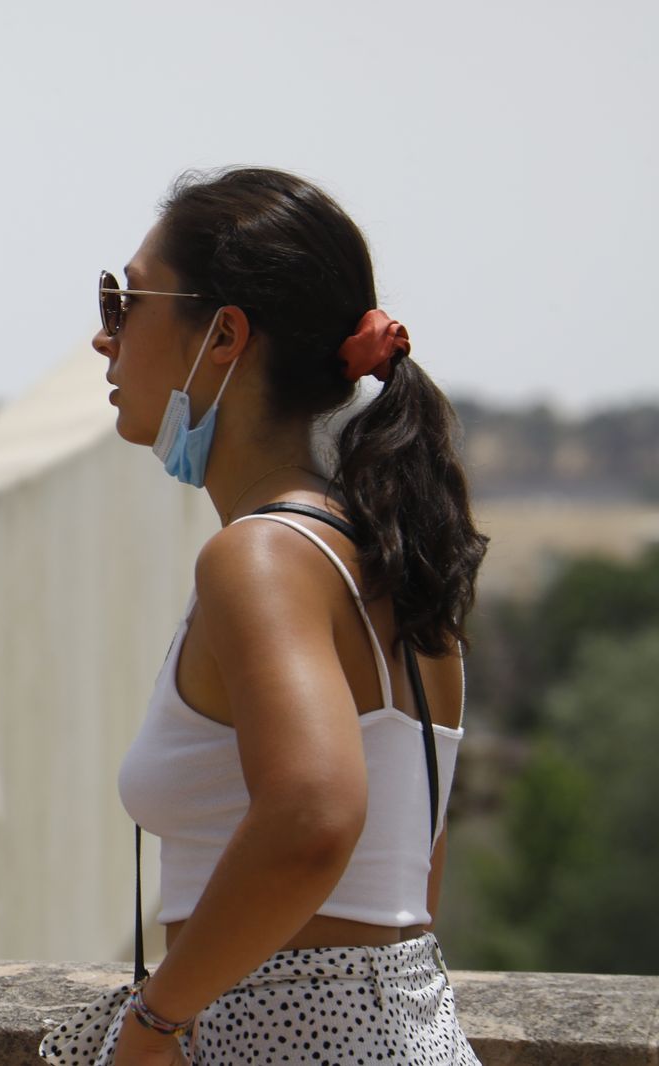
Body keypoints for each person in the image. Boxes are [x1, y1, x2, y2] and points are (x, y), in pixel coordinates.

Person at [96, 168, 487, 1064]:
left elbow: (314, 816)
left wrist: (153, 1025)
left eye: (126, 300)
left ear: (224, 334)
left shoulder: (260, 559)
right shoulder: (390, 553)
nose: (102, 335)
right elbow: (404, 877)